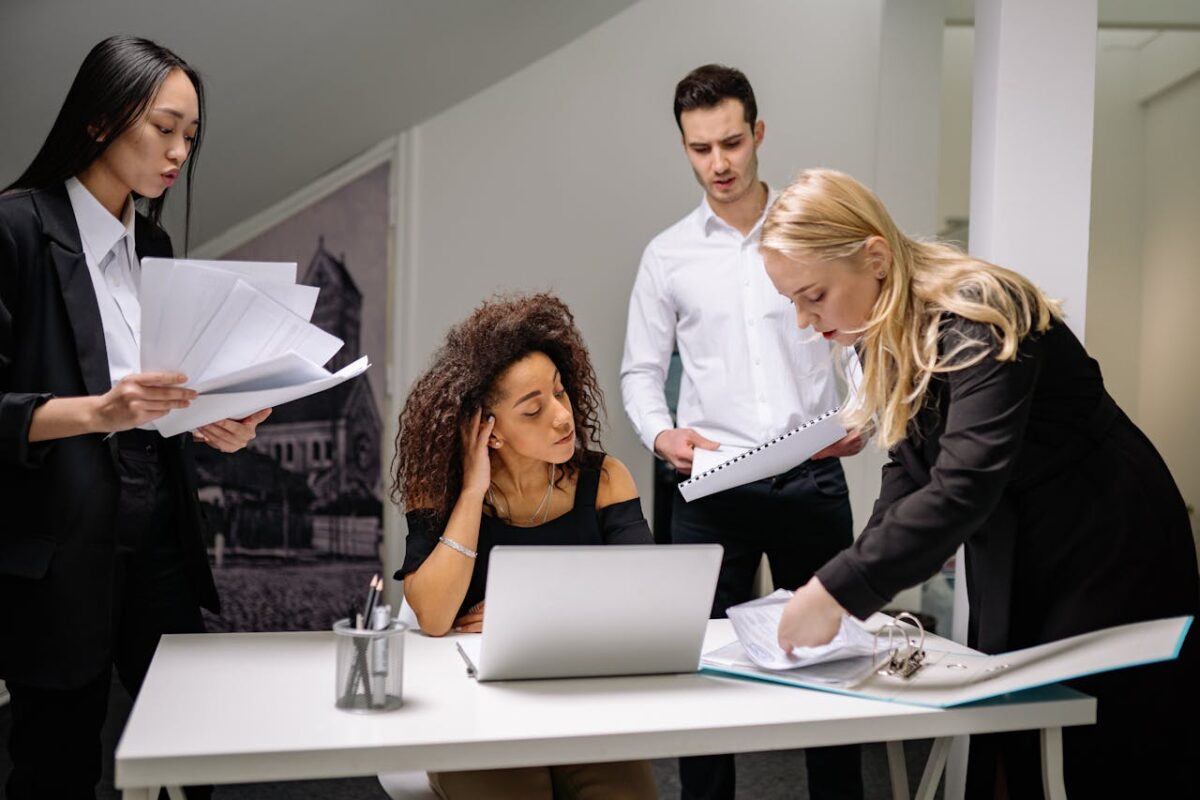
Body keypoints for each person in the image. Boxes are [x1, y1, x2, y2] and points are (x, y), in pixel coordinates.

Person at [761, 167, 1200, 798]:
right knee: (1015, 736)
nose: (804, 320)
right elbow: (909, 469)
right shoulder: (872, 334)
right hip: (1021, 536)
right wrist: (844, 578)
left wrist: (838, 591)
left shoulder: (979, 313)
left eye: (814, 295)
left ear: (876, 258)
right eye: (793, 302)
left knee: (1099, 742)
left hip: (1107, 540)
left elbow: (961, 485)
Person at [0, 35, 271, 799]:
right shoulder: (16, 230)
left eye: (191, 136)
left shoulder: (152, 243)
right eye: (165, 127)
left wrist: (213, 421)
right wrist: (102, 411)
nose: (180, 151)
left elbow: (156, 401)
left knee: (193, 761)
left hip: (157, 540)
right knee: (56, 768)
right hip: (60, 552)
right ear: (98, 121)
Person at [620, 64, 864, 800]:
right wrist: (662, 436)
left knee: (833, 662)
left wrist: (861, 415)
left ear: (758, 135)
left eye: (731, 142)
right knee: (703, 670)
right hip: (710, 488)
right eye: (700, 149)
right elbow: (639, 371)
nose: (719, 164)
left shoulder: (808, 236)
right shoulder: (666, 255)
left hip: (813, 476)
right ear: (685, 148)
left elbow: (853, 337)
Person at [392, 292, 658, 800]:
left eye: (560, 394)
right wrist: (472, 492)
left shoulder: (605, 481)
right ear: (490, 432)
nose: (562, 417)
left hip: (583, 701)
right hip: (472, 705)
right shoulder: (438, 491)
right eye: (533, 410)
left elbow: (646, 602)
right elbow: (432, 615)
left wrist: (527, 614)